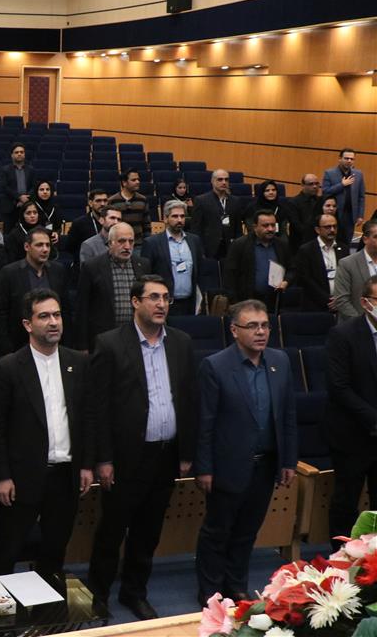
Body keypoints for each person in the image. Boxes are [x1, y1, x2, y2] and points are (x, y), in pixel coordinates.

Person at [87, 275, 197, 619]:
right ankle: (98, 593)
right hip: (124, 458)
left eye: (166, 298)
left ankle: (134, 592)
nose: (162, 304)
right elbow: (98, 408)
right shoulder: (109, 343)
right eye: (154, 297)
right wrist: (104, 458)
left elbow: (189, 400)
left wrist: (186, 452)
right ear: (136, 302)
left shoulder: (181, 342)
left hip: (164, 455)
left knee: (148, 531)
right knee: (111, 531)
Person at [194, 299, 297, 605]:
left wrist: (288, 460)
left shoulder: (280, 361)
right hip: (227, 465)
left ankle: (236, 585)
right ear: (234, 330)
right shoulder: (215, 366)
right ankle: (210, 591)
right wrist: (204, 468)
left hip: (265, 465)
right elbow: (205, 422)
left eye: (265, 325)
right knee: (217, 532)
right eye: (252, 326)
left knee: (247, 532)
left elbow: (288, 415)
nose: (261, 332)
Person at [0, 289, 93, 587]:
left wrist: (86, 464)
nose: (53, 322)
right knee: (7, 552)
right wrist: (1, 476)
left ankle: (47, 610)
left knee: (54, 552)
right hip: (22, 477)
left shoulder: (78, 362)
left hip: (65, 475)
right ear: (27, 324)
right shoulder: (7, 368)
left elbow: (88, 418)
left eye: (57, 315)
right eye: (44, 316)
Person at [324, 274, 377, 548]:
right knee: (346, 503)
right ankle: (342, 559)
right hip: (353, 435)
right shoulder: (343, 335)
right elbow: (339, 387)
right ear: (366, 303)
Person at [0, 228, 68, 356]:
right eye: (39, 245)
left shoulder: (58, 271)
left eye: (48, 245)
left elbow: (66, 310)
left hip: (53, 346)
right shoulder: (9, 273)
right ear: (27, 247)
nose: (45, 249)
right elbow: (0, 314)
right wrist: (6, 350)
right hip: (18, 347)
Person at [74, 223, 151, 351]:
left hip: (136, 338)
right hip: (103, 339)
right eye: (121, 241)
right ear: (110, 243)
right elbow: (82, 308)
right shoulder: (92, 267)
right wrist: (82, 346)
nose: (127, 246)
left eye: (131, 241)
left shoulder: (143, 265)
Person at [140, 201, 203, 317]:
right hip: (163, 304)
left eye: (182, 216)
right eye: (175, 216)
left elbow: (199, 270)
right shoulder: (152, 243)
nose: (179, 220)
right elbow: (146, 276)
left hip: (189, 303)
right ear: (165, 218)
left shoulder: (194, 240)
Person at [222, 210, 291, 310]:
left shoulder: (281, 245)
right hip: (247, 301)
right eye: (265, 225)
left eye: (273, 225)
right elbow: (230, 276)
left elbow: (292, 269)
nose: (270, 229)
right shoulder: (239, 245)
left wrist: (286, 281)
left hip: (275, 300)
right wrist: (234, 302)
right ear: (255, 227)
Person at [291, 212, 347, 313]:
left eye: (334, 226)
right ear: (317, 230)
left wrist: (339, 299)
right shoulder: (306, 250)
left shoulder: (343, 249)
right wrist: (328, 300)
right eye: (327, 227)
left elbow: (348, 277)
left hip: (340, 305)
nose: (332, 230)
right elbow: (305, 280)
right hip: (315, 306)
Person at [190, 169, 246, 260]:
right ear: (212, 181)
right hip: (209, 248)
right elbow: (196, 229)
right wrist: (200, 250)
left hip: (230, 247)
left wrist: (239, 247)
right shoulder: (201, 200)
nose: (224, 182)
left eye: (226, 179)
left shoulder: (235, 201)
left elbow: (238, 228)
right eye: (220, 179)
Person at [323, 148, 365, 250]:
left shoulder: (358, 174)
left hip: (350, 215)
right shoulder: (329, 173)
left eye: (352, 159)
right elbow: (325, 192)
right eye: (346, 158)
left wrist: (360, 215)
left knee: (346, 243)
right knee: (332, 242)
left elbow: (361, 196)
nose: (349, 161)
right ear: (340, 159)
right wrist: (341, 185)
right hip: (334, 214)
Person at [335, 220, 377, 319]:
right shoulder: (347, 264)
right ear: (365, 239)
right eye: (376, 237)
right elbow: (342, 300)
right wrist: (363, 323)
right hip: (358, 323)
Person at [0, 143, 36, 222]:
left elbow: (34, 186)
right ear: (12, 155)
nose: (19, 154)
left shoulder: (31, 170)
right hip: (10, 206)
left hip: (27, 205)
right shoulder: (4, 170)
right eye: (16, 152)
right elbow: (4, 187)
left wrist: (25, 199)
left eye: (21, 152)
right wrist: (19, 197)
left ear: (24, 154)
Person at [108, 169, 149, 243]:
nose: (138, 182)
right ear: (124, 183)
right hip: (119, 243)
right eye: (133, 180)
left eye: (138, 179)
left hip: (139, 243)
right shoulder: (112, 200)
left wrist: (147, 241)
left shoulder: (143, 199)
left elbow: (146, 224)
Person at [66, 189, 110, 256]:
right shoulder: (79, 223)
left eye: (105, 200)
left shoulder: (114, 222)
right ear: (90, 203)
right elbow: (71, 248)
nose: (102, 204)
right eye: (98, 201)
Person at [285, 173, 323, 250]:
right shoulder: (293, 203)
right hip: (300, 244)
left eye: (317, 184)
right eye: (311, 184)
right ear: (302, 185)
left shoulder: (322, 201)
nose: (315, 186)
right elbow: (297, 226)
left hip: (320, 241)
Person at [4, 201, 49, 265]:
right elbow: (12, 259)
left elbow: (51, 255)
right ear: (23, 215)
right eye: (28, 213)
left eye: (35, 212)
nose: (32, 216)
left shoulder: (43, 232)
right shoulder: (14, 234)